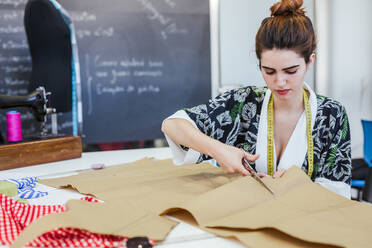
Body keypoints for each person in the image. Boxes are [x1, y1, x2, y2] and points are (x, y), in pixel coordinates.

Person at [161, 0, 351, 198]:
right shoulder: (245, 103)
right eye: (269, 71)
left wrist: (297, 186)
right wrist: (220, 151)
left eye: (291, 71)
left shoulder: (332, 115)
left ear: (310, 61)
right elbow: (173, 125)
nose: (279, 82)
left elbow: (338, 193)